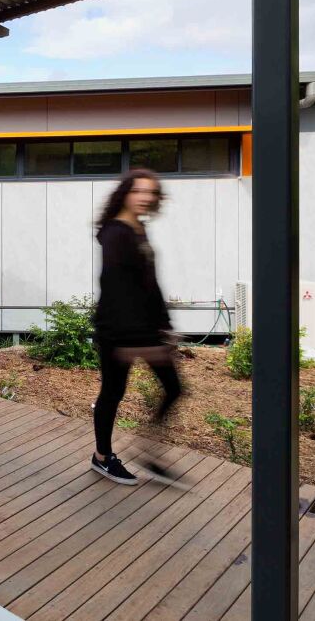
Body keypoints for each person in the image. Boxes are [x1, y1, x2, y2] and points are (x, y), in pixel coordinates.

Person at [91, 168, 182, 486]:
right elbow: (114, 286)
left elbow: (150, 285)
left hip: (145, 329)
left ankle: (148, 448)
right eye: (138, 190)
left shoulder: (138, 229)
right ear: (125, 193)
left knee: (173, 388)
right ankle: (102, 457)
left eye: (150, 192)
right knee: (112, 393)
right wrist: (130, 340)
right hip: (117, 331)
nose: (145, 197)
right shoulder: (116, 233)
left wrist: (165, 326)